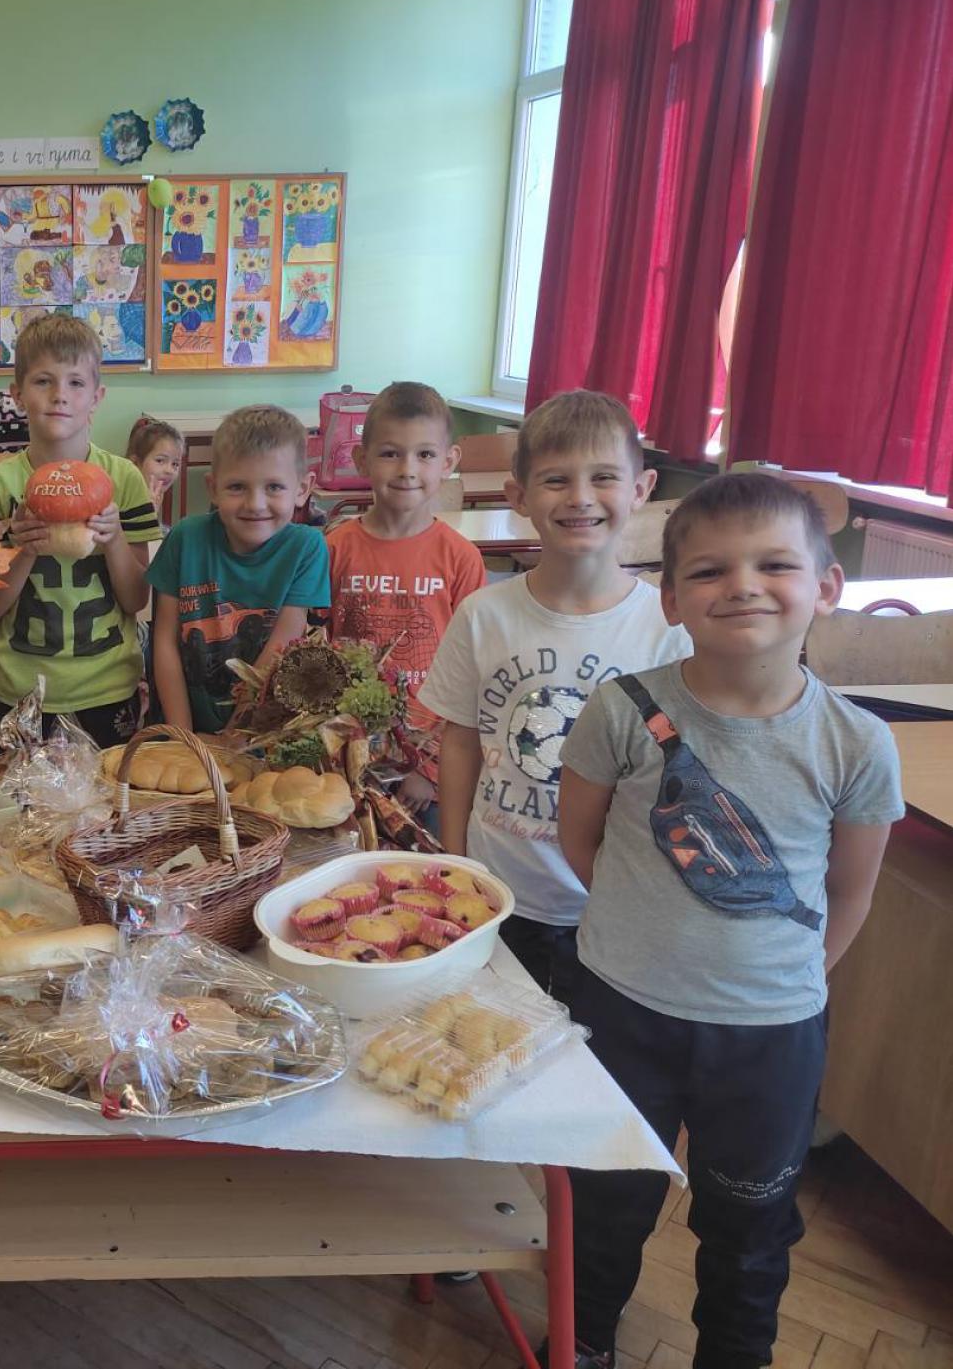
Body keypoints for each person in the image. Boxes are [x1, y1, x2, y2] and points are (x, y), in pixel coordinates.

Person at [556, 472, 902, 1369]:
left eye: (774, 564)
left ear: (827, 586)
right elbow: (581, 841)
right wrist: (642, 938)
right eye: (709, 570)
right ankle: (583, 1336)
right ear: (671, 599)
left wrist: (785, 978)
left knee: (749, 1226)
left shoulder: (858, 742)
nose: (743, 585)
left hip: (769, 1037)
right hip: (622, 1012)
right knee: (605, 1200)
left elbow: (851, 891)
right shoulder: (622, 709)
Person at [417, 390, 691, 1001]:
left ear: (641, 489)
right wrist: (457, 859)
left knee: (593, 1047)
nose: (580, 497)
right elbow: (459, 741)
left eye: (603, 478)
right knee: (493, 1031)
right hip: (496, 891)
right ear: (519, 496)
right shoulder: (483, 614)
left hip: (610, 901)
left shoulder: (669, 629)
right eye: (556, 480)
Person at [0, 314, 161, 745]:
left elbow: (136, 598)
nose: (60, 395)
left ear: (96, 397)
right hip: (21, 692)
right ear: (17, 394)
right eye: (43, 381)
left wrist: (114, 540)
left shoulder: (124, 480)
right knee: (17, 791)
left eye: (76, 383)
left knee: (106, 788)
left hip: (106, 688)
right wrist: (23, 548)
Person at [327, 382, 486, 813]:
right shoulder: (335, 548)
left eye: (425, 454)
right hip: (344, 750)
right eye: (390, 453)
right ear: (362, 460)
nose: (407, 469)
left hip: (426, 761)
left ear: (449, 462)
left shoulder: (461, 558)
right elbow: (317, 651)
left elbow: (471, 674)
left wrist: (429, 769)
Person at [149, 405, 331, 732]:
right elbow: (164, 642)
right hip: (182, 726)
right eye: (237, 487)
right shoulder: (185, 538)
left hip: (261, 733)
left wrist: (234, 738)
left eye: (274, 487)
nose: (255, 504)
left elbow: (280, 649)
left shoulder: (307, 548)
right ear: (213, 488)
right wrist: (182, 737)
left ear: (302, 489)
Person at [127, 415, 185, 524]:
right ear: (135, 463)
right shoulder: (126, 495)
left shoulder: (155, 492)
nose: (169, 470)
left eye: (175, 464)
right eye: (160, 461)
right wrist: (147, 515)